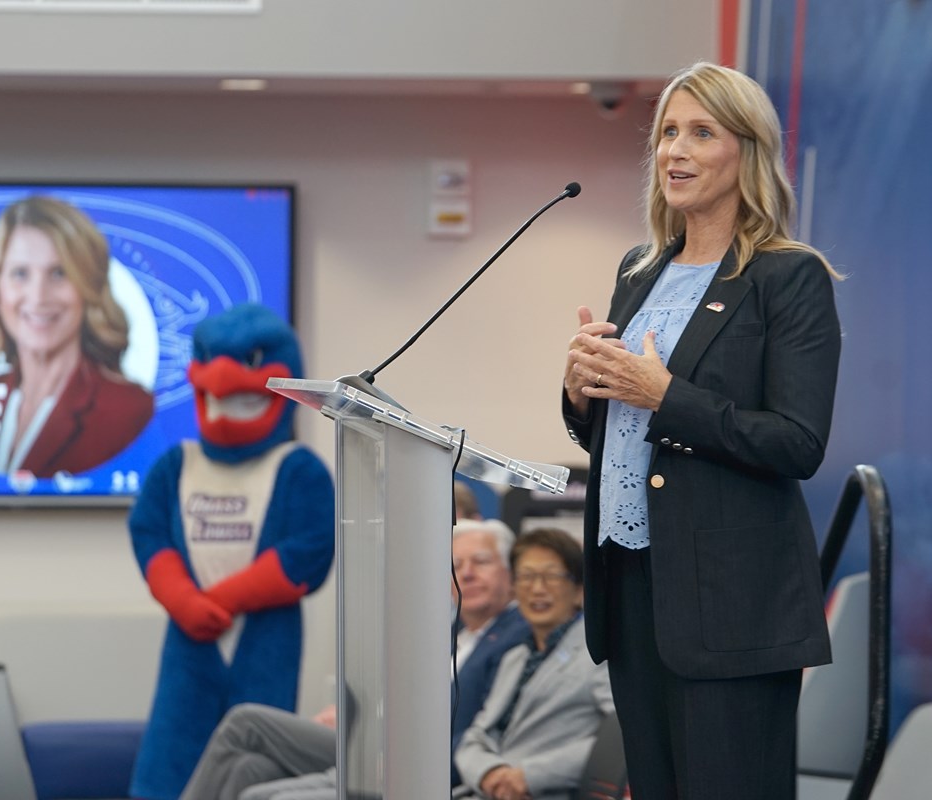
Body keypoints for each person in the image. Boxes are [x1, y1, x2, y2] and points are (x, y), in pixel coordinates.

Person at [561, 61, 842, 800]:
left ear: (746, 151)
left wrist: (666, 397)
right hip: (632, 585)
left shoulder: (789, 278)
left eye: (700, 132)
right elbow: (615, 431)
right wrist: (582, 392)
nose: (675, 151)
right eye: (667, 134)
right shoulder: (640, 268)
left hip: (730, 604)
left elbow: (797, 443)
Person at [129, 304, 335, 800]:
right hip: (189, 636)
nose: (223, 380)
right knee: (172, 748)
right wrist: (183, 599)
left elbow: (309, 551)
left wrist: (224, 598)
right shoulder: (177, 463)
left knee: (255, 755)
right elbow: (149, 533)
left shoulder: (299, 468)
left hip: (265, 637)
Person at [177, 518, 530, 800]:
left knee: (245, 721)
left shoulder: (515, 636)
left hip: (410, 764)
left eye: (481, 563)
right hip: (371, 740)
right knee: (250, 770)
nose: (466, 573)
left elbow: (472, 728)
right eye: (456, 565)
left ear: (510, 574)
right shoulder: (448, 632)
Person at [0, 195, 155, 478]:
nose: (38, 297)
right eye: (20, 273)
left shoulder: (128, 410)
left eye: (59, 273)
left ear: (87, 286)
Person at [454, 528, 613, 800]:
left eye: (551, 576)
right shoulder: (514, 658)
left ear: (578, 591)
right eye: (527, 577)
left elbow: (618, 739)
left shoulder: (598, 655)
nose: (537, 589)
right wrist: (491, 774)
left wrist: (529, 776)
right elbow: (474, 738)